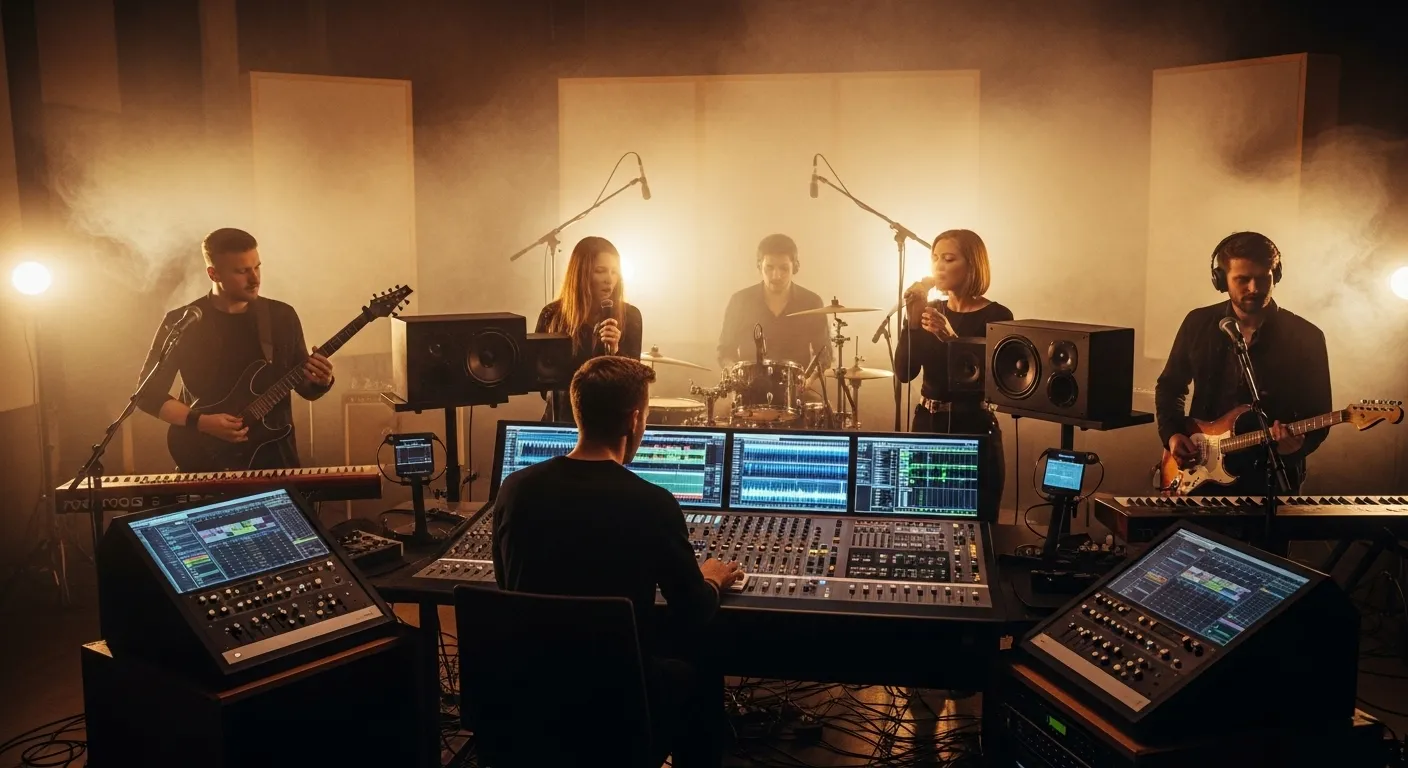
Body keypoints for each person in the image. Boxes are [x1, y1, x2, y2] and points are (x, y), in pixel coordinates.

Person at [492, 356, 743, 767]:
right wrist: (712, 579)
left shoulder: (514, 490)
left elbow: (507, 588)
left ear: (579, 412)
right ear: (634, 419)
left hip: (528, 697)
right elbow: (693, 611)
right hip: (618, 707)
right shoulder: (653, 503)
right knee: (696, 666)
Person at [135, 228, 334, 470]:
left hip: (275, 460)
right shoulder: (184, 322)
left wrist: (321, 381)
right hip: (205, 461)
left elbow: (306, 389)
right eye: (242, 271)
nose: (255, 279)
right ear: (213, 273)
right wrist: (202, 422)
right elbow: (148, 395)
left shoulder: (281, 316)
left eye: (257, 267)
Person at [1156, 231, 1331, 495]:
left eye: (1263, 278)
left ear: (1276, 276)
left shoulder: (1306, 336)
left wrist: (1297, 447)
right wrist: (1172, 435)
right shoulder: (1198, 323)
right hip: (1199, 473)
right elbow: (1170, 387)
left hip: (1271, 478)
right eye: (1242, 279)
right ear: (1221, 280)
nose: (1254, 288)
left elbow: (1320, 414)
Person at [895, 229, 1013, 510]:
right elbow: (905, 373)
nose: (939, 266)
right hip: (927, 423)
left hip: (973, 426)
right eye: (935, 258)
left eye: (948, 259)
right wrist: (912, 324)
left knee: (976, 516)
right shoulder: (930, 310)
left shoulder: (998, 316)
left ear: (973, 265)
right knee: (922, 512)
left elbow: (994, 382)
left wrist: (952, 340)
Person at [535, 236, 643, 422]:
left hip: (611, 421)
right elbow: (542, 386)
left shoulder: (630, 316)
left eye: (614, 272)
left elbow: (635, 386)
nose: (609, 279)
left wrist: (616, 352)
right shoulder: (552, 314)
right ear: (581, 274)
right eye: (600, 271)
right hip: (563, 419)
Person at [716, 234, 831, 372]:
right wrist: (734, 373)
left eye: (784, 268)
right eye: (769, 268)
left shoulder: (811, 302)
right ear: (759, 266)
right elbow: (725, 352)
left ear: (795, 267)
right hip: (749, 384)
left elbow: (824, 355)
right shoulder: (739, 301)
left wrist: (808, 380)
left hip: (797, 384)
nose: (776, 276)